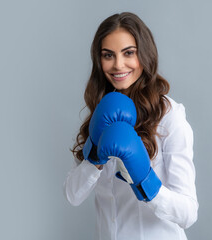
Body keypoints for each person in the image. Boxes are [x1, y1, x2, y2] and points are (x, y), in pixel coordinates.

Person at [64, 12, 198, 240]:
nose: (118, 65)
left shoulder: (169, 116)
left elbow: (188, 214)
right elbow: (72, 196)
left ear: (144, 55)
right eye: (108, 55)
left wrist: (146, 182)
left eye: (129, 53)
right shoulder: (101, 113)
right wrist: (93, 158)